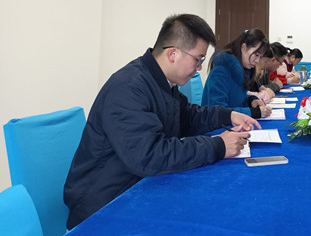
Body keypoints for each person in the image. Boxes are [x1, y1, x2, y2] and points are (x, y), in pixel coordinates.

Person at [64, 14, 260, 229]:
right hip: (103, 206)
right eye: (198, 59)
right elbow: (149, 155)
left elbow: (186, 117)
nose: (199, 68)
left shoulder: (161, 81)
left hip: (140, 186)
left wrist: (227, 115)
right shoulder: (127, 88)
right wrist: (217, 146)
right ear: (173, 54)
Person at [202, 28, 272, 119]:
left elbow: (236, 98)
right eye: (256, 55)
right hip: (217, 126)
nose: (257, 61)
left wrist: (251, 100)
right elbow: (218, 112)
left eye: (260, 57)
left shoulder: (242, 70)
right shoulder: (221, 71)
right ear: (244, 47)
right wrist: (253, 112)